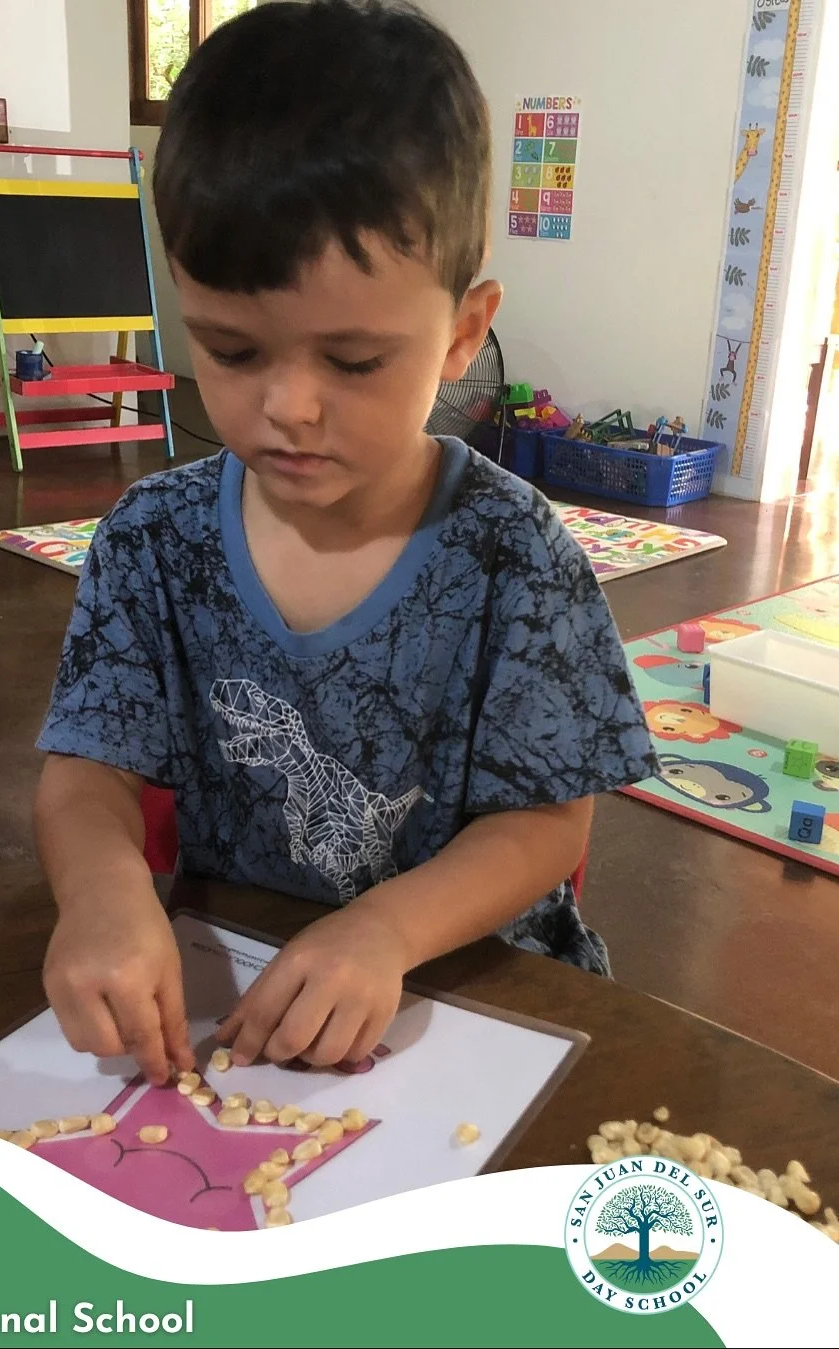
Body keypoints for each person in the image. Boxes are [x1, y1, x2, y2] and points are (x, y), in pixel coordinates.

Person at [34, 0, 656, 1087]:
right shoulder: (153, 542)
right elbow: (88, 765)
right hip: (242, 988)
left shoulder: (515, 557)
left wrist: (386, 930)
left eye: (356, 361)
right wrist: (99, 890)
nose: (291, 408)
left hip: (473, 994)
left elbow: (552, 821)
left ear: (464, 331)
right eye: (231, 349)